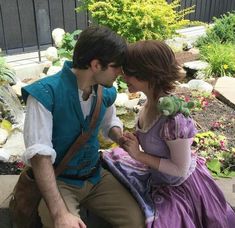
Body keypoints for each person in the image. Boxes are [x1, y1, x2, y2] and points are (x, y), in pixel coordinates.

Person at [21, 26, 145, 228]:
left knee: (138, 221)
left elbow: (109, 124)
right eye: (117, 66)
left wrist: (120, 138)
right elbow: (40, 157)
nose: (121, 72)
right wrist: (60, 214)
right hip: (59, 181)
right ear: (96, 65)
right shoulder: (44, 95)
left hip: (96, 177)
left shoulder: (105, 92)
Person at [102, 40, 235, 228]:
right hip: (157, 175)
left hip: (178, 186)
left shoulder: (173, 119)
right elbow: (153, 139)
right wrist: (136, 139)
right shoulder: (149, 104)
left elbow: (180, 170)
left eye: (128, 73)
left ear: (149, 74)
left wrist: (139, 154)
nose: (123, 76)